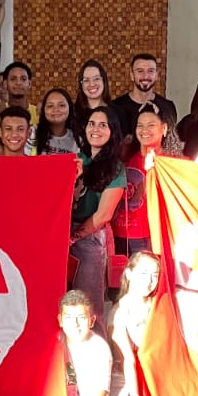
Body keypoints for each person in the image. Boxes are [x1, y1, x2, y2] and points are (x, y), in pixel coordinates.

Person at [70, 105, 126, 328]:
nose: (96, 129)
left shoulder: (115, 168)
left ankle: (101, 358)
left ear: (112, 131)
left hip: (90, 238)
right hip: (63, 233)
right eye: (92, 124)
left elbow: (103, 215)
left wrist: (74, 237)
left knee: (89, 304)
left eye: (103, 125)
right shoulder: (75, 160)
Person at [110, 251, 161, 396]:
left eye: (155, 275)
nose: (149, 280)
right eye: (143, 273)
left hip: (159, 374)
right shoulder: (118, 313)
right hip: (129, 377)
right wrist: (136, 395)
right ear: (129, 273)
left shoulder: (160, 305)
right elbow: (127, 360)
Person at [113, 103, 168, 257]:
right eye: (140, 125)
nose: (145, 130)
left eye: (151, 125)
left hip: (148, 236)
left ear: (164, 128)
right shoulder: (127, 157)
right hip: (119, 232)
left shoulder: (170, 163)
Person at [111, 53, 177, 138]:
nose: (145, 76)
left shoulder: (168, 107)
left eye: (150, 71)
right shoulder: (115, 108)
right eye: (140, 71)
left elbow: (170, 143)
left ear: (156, 75)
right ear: (132, 75)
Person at [33, 89, 80, 155]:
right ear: (43, 110)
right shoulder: (32, 133)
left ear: (70, 107)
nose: (56, 109)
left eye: (61, 105)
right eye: (50, 106)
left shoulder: (78, 139)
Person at [75, 60, 110, 124]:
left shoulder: (117, 112)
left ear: (104, 81)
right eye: (86, 80)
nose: (92, 84)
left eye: (96, 79)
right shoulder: (73, 113)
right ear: (81, 85)